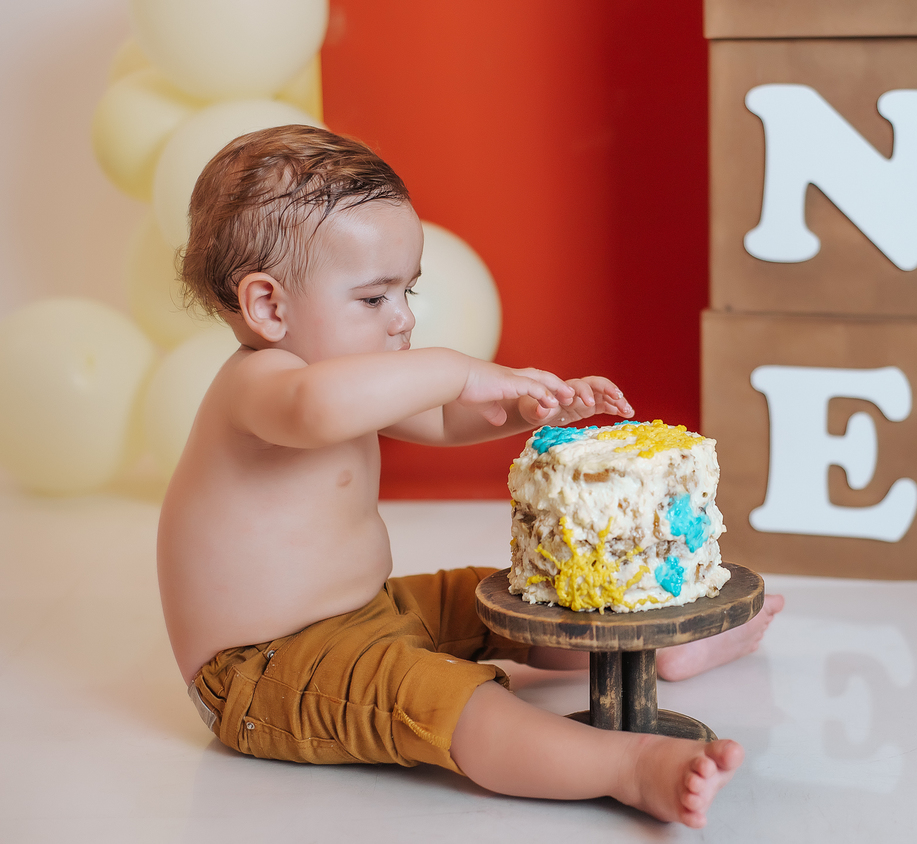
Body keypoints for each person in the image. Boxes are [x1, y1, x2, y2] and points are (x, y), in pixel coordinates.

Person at [157, 125, 784, 829]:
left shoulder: (346, 376)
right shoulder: (262, 384)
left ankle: (650, 655)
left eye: (408, 290)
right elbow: (319, 409)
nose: (404, 318)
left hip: (368, 613)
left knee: (494, 599)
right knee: (446, 698)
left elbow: (440, 418)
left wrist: (526, 406)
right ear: (268, 307)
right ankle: (629, 767)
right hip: (265, 669)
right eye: (374, 299)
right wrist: (456, 368)